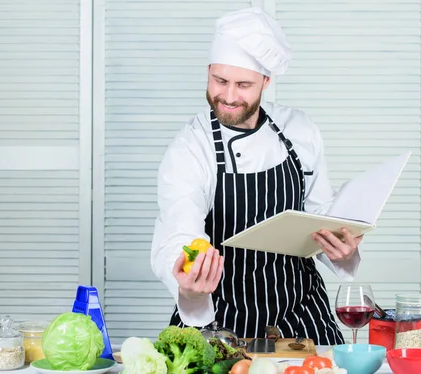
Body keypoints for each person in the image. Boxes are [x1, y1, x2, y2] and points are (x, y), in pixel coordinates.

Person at [150, 6, 364, 346]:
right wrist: (189, 281)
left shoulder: (300, 131)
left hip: (301, 314)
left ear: (266, 81)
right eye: (219, 80)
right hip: (220, 319)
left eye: (243, 84)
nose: (229, 96)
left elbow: (320, 219)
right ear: (208, 71)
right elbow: (179, 227)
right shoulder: (191, 146)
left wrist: (343, 250)